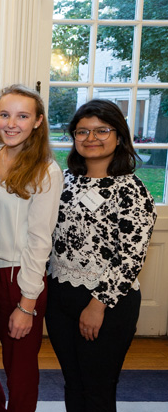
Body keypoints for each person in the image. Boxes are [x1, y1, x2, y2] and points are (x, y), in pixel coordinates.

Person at [45, 99, 156, 412]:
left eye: (101, 130)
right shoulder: (62, 181)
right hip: (60, 297)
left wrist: (97, 305)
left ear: (119, 136)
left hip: (107, 303)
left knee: (98, 391)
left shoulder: (131, 189)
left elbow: (131, 257)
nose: (90, 138)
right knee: (73, 384)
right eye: (82, 132)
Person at [0, 85, 63, 412]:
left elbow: (40, 242)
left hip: (19, 279)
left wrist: (26, 304)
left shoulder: (46, 171)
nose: (11, 123)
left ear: (37, 121)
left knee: (20, 371)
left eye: (22, 116)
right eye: (5, 115)